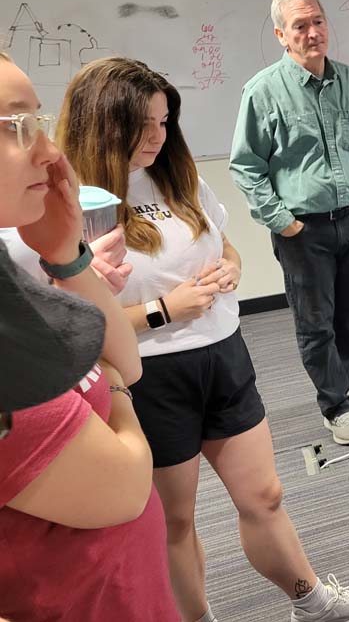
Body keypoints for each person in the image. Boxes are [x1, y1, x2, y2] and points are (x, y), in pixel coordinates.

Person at [59, 57, 349, 622]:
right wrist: (164, 310)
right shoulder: (74, 203)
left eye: (165, 123)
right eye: (143, 125)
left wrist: (231, 268)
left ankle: (310, 600)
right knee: (176, 522)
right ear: (103, 123)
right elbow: (74, 318)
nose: (157, 138)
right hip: (149, 376)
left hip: (224, 355)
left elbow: (223, 244)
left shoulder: (178, 176)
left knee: (265, 498)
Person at [0, 51, 178, 621]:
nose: (50, 152)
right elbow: (125, 484)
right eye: (16, 126)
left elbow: (127, 358)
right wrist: (120, 391)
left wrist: (66, 255)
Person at [230, 0, 349, 445]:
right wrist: (281, 220)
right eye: (300, 26)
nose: (313, 32)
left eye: (318, 21)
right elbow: (246, 165)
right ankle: (334, 405)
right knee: (315, 321)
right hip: (304, 229)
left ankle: (341, 385)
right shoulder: (263, 91)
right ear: (282, 35)